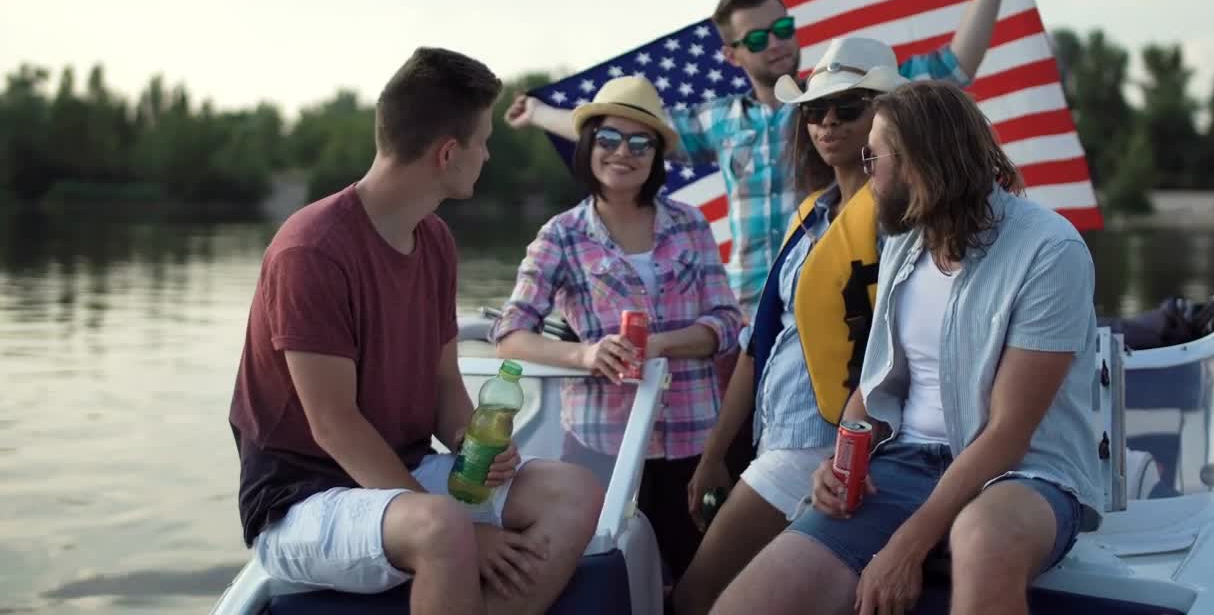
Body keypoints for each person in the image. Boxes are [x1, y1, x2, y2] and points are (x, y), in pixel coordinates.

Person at [504, 0, 1026, 319]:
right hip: (749, 310)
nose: (776, 44)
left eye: (782, 28)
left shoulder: (844, 97)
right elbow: (620, 126)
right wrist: (539, 113)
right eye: (757, 38)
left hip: (839, 301)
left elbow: (957, 66)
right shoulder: (718, 121)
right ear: (732, 55)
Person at [228, 47, 604, 615]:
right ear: (448, 154)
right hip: (300, 497)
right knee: (443, 527)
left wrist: (473, 445)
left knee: (573, 492)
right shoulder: (311, 251)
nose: (487, 155)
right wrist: (464, 532)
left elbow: (444, 390)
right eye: (482, 141)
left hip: (401, 471)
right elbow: (333, 427)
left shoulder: (435, 243)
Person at [712, 80, 1101, 615]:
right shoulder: (903, 241)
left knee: (982, 537)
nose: (864, 167)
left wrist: (906, 545)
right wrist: (841, 460)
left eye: (874, 154)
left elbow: (1010, 432)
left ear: (919, 158)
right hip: (903, 462)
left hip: (1025, 475)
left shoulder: (1050, 250)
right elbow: (877, 384)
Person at [674, 36, 911, 615]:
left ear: (884, 117)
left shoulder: (900, 222)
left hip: (823, 447)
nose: (827, 122)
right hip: (775, 440)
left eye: (847, 108)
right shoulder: (810, 215)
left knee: (695, 596)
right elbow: (760, 346)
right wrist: (715, 453)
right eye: (814, 111)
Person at [490, 75, 741, 588]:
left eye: (638, 142)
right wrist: (586, 355)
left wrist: (660, 346)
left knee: (699, 578)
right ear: (588, 148)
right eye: (608, 139)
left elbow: (727, 323)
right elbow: (510, 334)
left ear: (654, 155)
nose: (622, 152)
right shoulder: (561, 235)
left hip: (693, 441)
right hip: (602, 444)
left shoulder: (691, 223)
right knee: (606, 576)